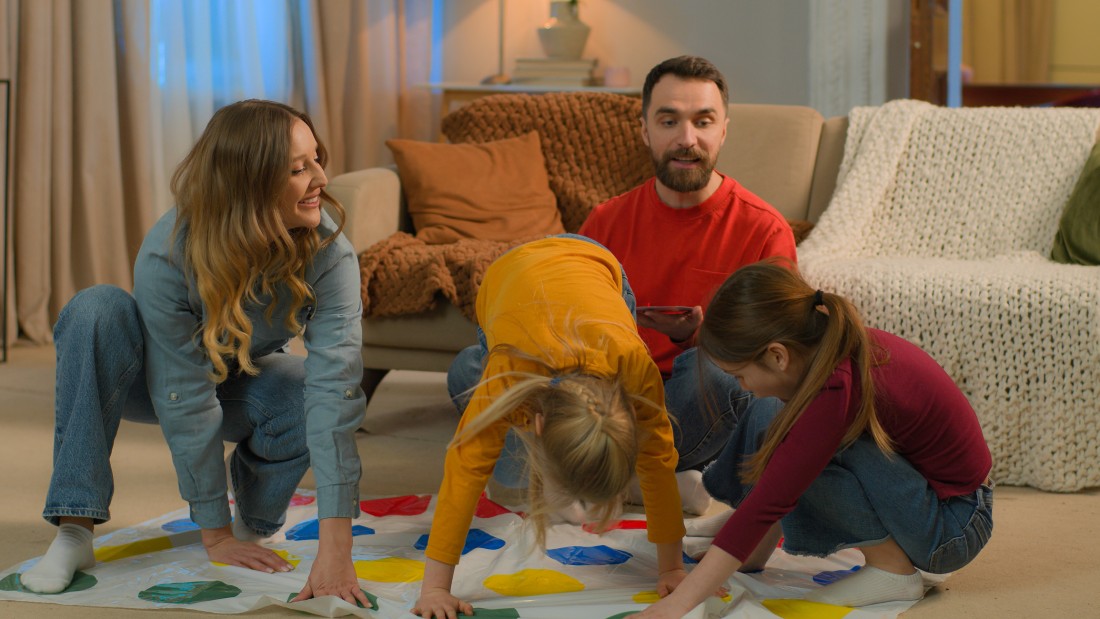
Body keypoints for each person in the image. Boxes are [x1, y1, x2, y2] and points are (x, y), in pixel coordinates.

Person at [20, 100, 371, 607]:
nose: (320, 177)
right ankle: (74, 528)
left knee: (304, 389)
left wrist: (336, 548)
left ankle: (256, 520)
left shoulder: (331, 256)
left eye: (318, 159)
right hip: (154, 375)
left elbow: (334, 390)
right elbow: (181, 392)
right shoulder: (170, 248)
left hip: (237, 376)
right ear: (248, 182)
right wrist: (212, 532)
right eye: (298, 168)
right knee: (95, 309)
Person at [635, 261, 994, 617]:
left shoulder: (835, 386)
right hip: (927, 497)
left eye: (740, 375)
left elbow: (776, 495)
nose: (741, 386)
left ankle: (891, 569)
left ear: (777, 355)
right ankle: (754, 542)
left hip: (953, 526)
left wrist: (677, 606)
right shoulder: (826, 351)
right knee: (772, 413)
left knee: (800, 454)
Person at [414, 235, 687, 619]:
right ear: (537, 425)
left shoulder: (634, 363)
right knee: (507, 474)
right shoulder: (509, 368)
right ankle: (470, 372)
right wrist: (435, 588)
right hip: (508, 276)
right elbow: (466, 465)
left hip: (597, 268)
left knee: (522, 468)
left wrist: (672, 569)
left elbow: (658, 459)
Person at [577, 56, 797, 501]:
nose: (686, 139)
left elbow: (778, 363)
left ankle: (591, 474)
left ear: (723, 130)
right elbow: (571, 324)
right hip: (613, 396)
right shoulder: (605, 221)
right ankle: (649, 480)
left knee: (714, 375)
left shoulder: (765, 229)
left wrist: (698, 336)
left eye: (703, 121)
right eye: (668, 120)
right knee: (474, 366)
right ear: (644, 130)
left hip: (695, 403)